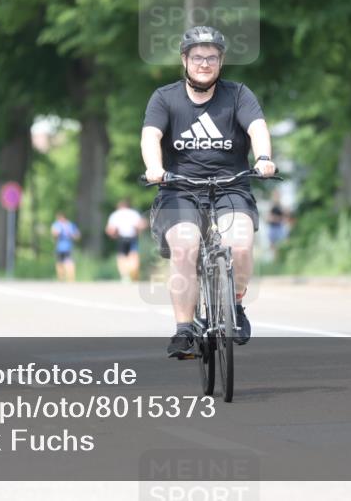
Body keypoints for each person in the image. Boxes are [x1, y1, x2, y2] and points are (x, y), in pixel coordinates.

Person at [141, 25, 276, 359]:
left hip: (231, 184)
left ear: (221, 61)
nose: (205, 63)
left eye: (212, 57)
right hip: (179, 189)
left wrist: (264, 158)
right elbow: (150, 137)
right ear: (184, 60)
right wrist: (155, 168)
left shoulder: (238, 95)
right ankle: (184, 330)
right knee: (186, 245)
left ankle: (235, 304)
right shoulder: (164, 97)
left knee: (241, 244)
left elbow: (257, 127)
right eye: (198, 57)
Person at [105, 199, 146, 283]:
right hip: (132, 236)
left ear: (119, 206)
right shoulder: (134, 213)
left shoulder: (115, 214)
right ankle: (133, 271)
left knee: (121, 257)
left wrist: (113, 236)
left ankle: (125, 276)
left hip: (121, 237)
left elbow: (109, 229)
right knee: (133, 256)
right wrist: (139, 232)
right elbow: (142, 225)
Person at [51, 212, 80, 282]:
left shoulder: (68, 225)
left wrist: (71, 235)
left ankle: (70, 278)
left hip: (66, 247)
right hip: (61, 247)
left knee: (68, 263)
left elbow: (77, 235)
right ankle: (62, 278)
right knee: (61, 263)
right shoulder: (62, 225)